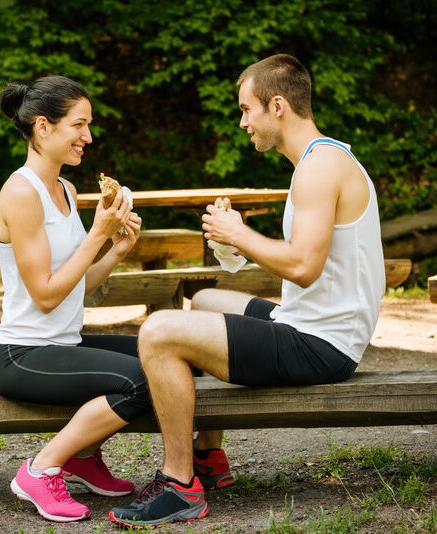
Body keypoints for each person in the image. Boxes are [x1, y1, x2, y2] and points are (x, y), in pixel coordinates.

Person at [109, 54, 385, 528]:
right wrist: (233, 248)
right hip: (310, 325)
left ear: (277, 106)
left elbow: (302, 266)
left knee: (158, 331)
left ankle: (179, 485)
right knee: (207, 300)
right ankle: (208, 459)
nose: (242, 123)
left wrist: (238, 233)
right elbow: (307, 261)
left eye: (246, 110)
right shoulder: (322, 159)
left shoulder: (321, 168)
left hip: (321, 345)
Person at [0, 75, 152, 523]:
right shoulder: (22, 192)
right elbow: (43, 295)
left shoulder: (66, 190)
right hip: (22, 354)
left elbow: (75, 285)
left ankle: (83, 456)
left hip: (64, 343)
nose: (88, 136)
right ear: (43, 126)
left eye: (89, 124)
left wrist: (116, 250)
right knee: (139, 381)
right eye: (79, 124)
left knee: (164, 353)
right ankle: (41, 469)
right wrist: (97, 233)